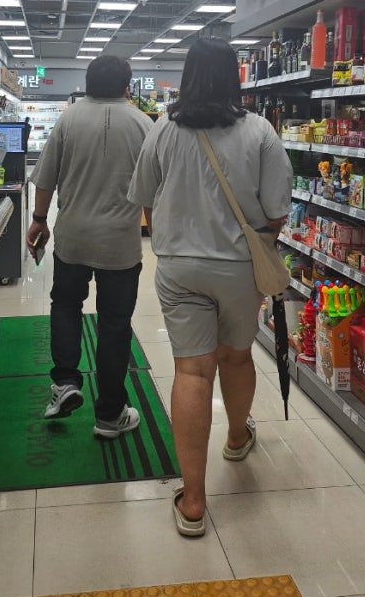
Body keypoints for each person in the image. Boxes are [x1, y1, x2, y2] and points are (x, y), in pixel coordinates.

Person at [128, 37, 293, 536]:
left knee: (192, 371)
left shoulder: (162, 130)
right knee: (236, 358)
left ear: (187, 77)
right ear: (234, 78)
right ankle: (237, 437)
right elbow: (277, 211)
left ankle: (194, 500)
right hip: (239, 267)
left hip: (179, 266)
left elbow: (145, 199)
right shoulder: (260, 131)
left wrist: (172, 238)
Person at [26, 55, 154, 438]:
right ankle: (110, 414)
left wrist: (38, 219)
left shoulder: (69, 119)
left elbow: (45, 178)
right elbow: (153, 192)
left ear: (88, 83)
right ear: (127, 86)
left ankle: (66, 382)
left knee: (66, 305)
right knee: (115, 323)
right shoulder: (144, 124)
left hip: (73, 237)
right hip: (121, 244)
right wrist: (160, 236)